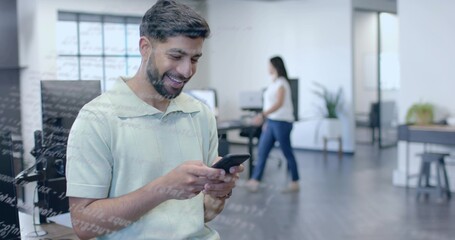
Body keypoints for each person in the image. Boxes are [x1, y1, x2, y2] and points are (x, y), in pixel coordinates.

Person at [65, 1, 243, 239]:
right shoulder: (97, 119)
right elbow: (84, 225)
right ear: (145, 47)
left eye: (194, 59)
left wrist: (219, 192)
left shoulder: (200, 114)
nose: (186, 71)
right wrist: (163, 188)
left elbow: (204, 214)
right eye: (176, 55)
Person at [245, 56, 300, 193]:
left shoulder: (282, 83)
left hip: (282, 123)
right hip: (272, 122)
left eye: (269, 65)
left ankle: (295, 181)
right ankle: (255, 180)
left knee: (287, 153)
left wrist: (262, 115)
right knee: (262, 150)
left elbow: (279, 104)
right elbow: (270, 104)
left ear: (275, 66)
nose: (267, 68)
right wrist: (267, 121)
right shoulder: (273, 83)